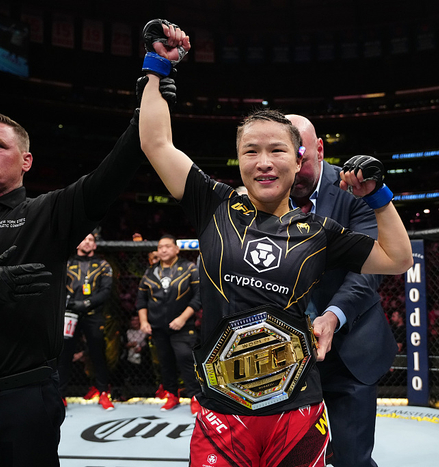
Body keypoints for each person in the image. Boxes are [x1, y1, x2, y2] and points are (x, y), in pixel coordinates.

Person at [137, 19, 412, 467]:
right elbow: (155, 142)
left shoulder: (318, 231)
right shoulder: (214, 204)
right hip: (222, 411)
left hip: (297, 411)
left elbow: (397, 259)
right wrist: (157, 67)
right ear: (238, 159)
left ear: (299, 159)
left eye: (277, 150)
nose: (264, 162)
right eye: (251, 151)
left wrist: (378, 196)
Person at [0, 76, 176, 466]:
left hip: (17, 403)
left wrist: (145, 111)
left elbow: (111, 174)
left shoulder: (48, 213)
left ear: (26, 161)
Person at [287, 113, 397, 467]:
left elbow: (369, 269)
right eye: (287, 159)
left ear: (320, 149)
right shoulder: (269, 191)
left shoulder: (355, 189)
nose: (294, 170)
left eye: (302, 158)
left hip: (350, 346)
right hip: (287, 352)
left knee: (352, 459)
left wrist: (332, 317)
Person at [135, 233, 201, 414]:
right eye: (160, 247)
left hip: (183, 326)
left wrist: (182, 318)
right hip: (158, 327)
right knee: (165, 362)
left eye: (167, 246)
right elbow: (141, 299)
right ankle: (172, 395)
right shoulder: (150, 272)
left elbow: (199, 296)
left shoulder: (189, 268)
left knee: (186, 359)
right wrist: (143, 321)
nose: (163, 250)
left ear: (176, 249)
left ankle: (196, 396)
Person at [59, 230, 115, 410]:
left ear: (95, 244)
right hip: (70, 314)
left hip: (93, 314)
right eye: (83, 239)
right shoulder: (67, 263)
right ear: (77, 243)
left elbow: (106, 291)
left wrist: (86, 303)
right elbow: (58, 287)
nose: (87, 242)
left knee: (98, 353)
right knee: (64, 354)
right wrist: (69, 303)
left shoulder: (103, 265)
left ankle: (103, 392)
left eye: (90, 239)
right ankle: (60, 395)